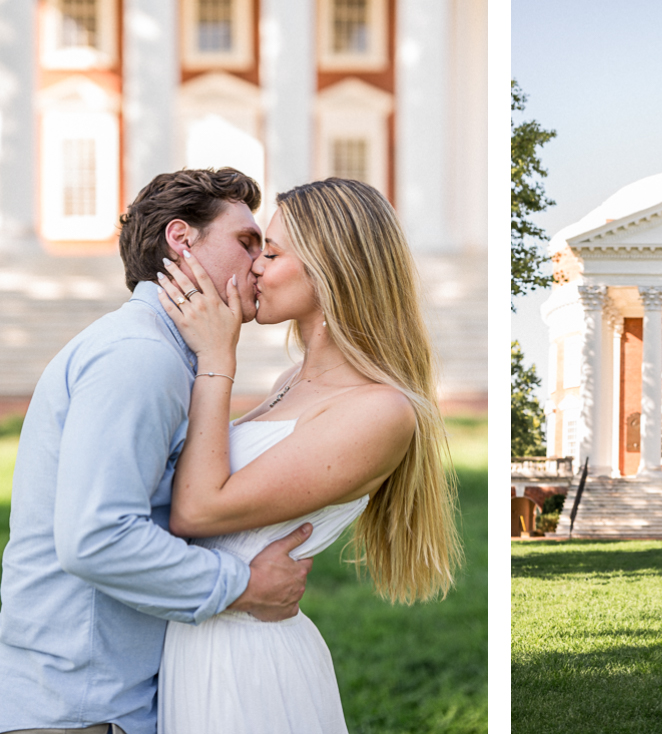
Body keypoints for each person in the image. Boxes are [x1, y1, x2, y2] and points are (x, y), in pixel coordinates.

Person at [0, 168, 315, 734]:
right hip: (81, 713)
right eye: (246, 242)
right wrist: (244, 584)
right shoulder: (140, 356)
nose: (260, 263)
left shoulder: (162, 351)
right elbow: (97, 537)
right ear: (181, 239)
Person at [152, 177, 462, 733]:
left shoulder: (380, 411)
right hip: (204, 641)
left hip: (248, 665)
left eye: (270, 253)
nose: (254, 268)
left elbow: (197, 511)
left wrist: (218, 358)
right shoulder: (291, 379)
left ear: (331, 269)